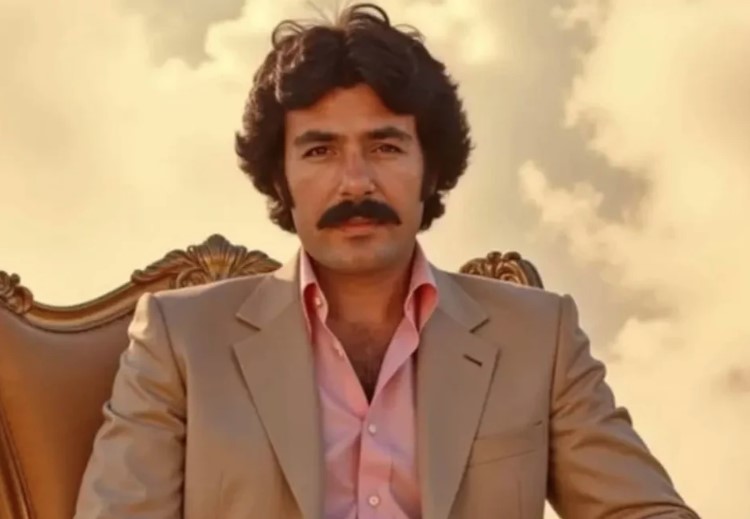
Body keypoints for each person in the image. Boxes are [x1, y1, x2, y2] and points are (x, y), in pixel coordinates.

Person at [74, 3, 699, 518]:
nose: (355, 182)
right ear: (280, 178)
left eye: (386, 146)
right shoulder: (181, 340)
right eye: (319, 151)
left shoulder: (539, 336)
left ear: (431, 169)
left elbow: (642, 510)